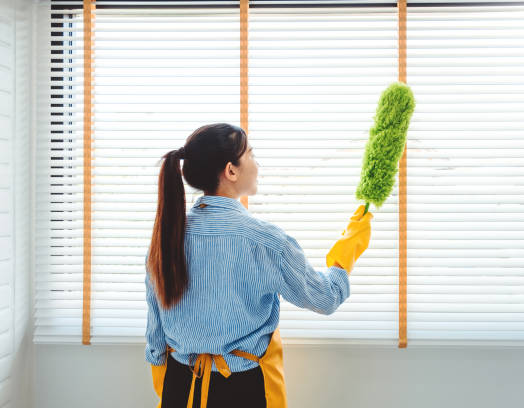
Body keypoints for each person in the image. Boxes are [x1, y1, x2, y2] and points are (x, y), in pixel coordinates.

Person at [144, 123, 373, 408]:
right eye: (251, 155)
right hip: (242, 391)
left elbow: (156, 338)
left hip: (180, 388)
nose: (257, 164)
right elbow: (325, 298)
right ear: (231, 170)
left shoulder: (165, 238)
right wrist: (349, 246)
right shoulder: (265, 241)